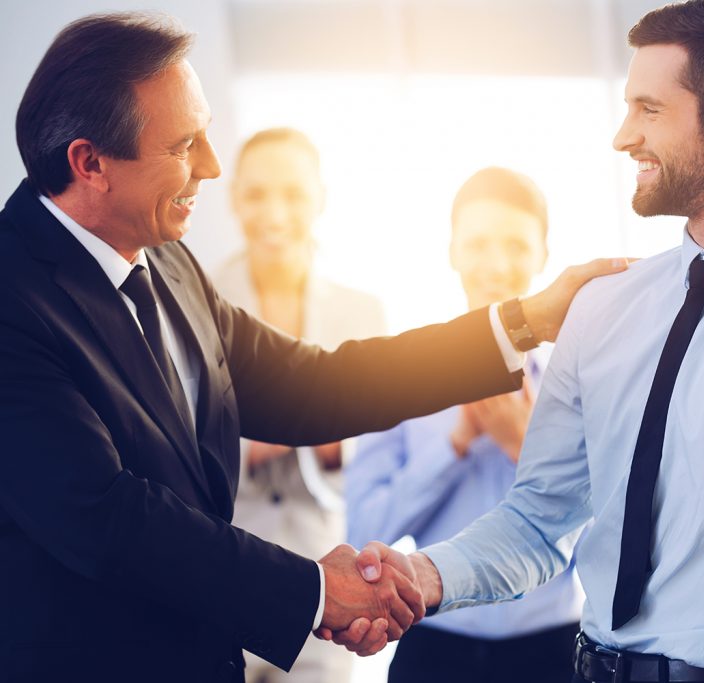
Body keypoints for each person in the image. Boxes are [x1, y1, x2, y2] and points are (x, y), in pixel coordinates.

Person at [0, 12, 625, 683]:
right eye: (185, 146)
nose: (211, 167)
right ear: (89, 162)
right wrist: (318, 590)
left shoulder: (169, 260)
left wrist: (526, 319)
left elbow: (317, 383)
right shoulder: (13, 301)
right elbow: (113, 520)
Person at [344, 1, 704, 679]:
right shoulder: (604, 307)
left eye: (648, 109)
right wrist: (421, 573)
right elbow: (540, 521)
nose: (622, 136)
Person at [347, 167, 584, 683]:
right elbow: (364, 532)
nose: (496, 265)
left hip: (554, 653)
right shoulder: (400, 378)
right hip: (434, 649)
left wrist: (525, 445)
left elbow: (614, 545)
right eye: (477, 244)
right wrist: (455, 443)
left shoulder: (585, 382)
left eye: (516, 246)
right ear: (452, 251)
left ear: (543, 255)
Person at [213, 127, 387, 683]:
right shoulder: (198, 302)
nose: (274, 212)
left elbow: (380, 448)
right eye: (257, 194)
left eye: (292, 194)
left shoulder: (362, 313)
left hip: (325, 573)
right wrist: (298, 424)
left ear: (321, 199)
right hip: (223, 565)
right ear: (234, 197)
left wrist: (312, 436)